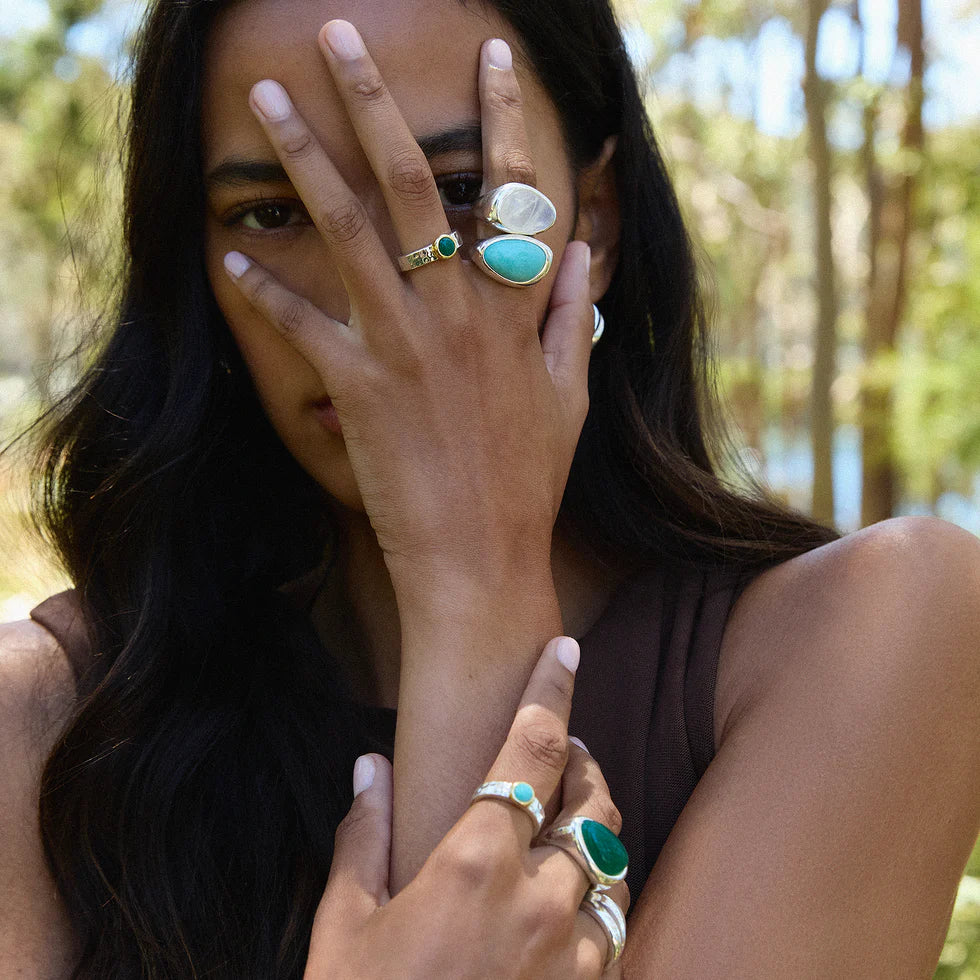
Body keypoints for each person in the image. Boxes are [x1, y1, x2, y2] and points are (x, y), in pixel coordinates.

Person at [1, 0, 978, 976]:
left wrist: (472, 572)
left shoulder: (874, 629)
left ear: (591, 215)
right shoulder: (43, 725)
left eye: (456, 190)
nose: (370, 299)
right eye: (273, 211)